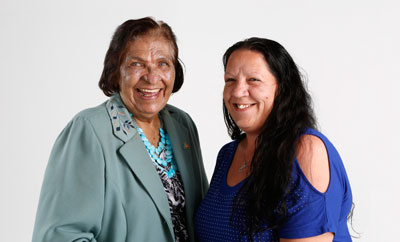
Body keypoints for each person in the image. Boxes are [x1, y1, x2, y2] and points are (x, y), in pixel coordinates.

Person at [32, 17, 208, 242]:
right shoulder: (90, 130)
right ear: (116, 71)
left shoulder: (182, 125)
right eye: (137, 64)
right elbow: (61, 236)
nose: (152, 76)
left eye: (163, 63)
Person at [194, 38, 353, 241]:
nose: (237, 91)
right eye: (230, 80)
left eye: (253, 80)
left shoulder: (305, 151)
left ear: (282, 88)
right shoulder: (227, 155)